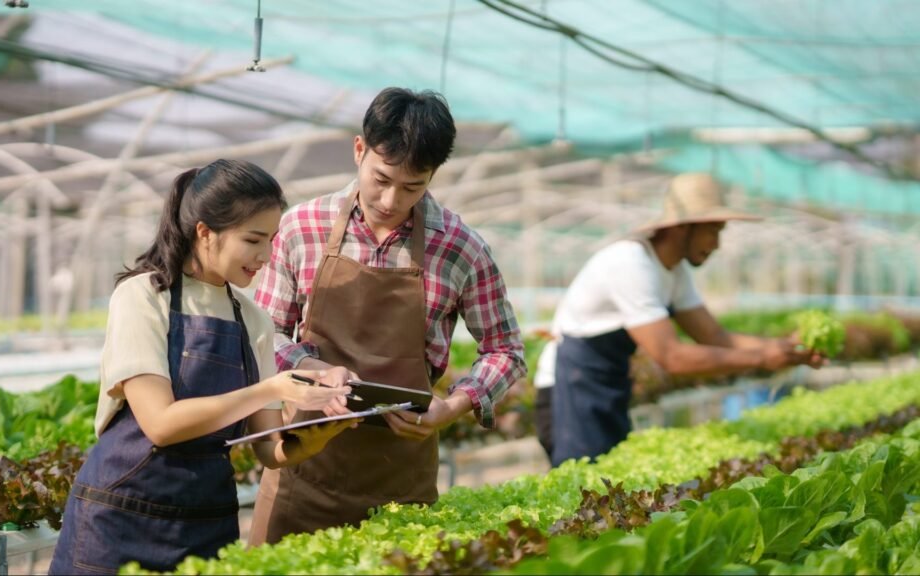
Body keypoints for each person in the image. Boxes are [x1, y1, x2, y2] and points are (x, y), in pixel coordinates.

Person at [49, 160, 357, 575]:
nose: (265, 256)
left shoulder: (252, 319)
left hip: (206, 523)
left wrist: (318, 434)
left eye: (270, 240)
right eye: (253, 240)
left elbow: (270, 449)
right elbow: (160, 423)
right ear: (205, 232)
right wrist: (273, 389)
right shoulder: (144, 296)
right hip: (120, 518)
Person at [249, 87, 527, 544]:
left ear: (433, 175)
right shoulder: (301, 226)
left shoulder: (461, 248)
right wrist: (312, 369)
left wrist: (454, 406)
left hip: (401, 473)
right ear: (360, 150)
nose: (391, 199)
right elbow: (265, 332)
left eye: (413, 186)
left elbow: (505, 349)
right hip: (302, 460)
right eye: (381, 178)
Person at [549, 172, 824, 467]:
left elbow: (716, 337)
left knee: (606, 486)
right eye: (713, 231)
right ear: (681, 228)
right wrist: (760, 359)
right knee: (582, 491)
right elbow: (672, 357)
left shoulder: (675, 272)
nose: (717, 244)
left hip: (606, 386)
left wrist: (784, 349)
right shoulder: (631, 263)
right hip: (566, 392)